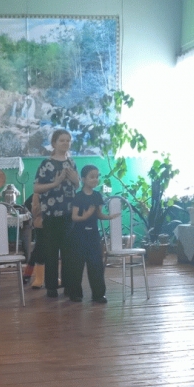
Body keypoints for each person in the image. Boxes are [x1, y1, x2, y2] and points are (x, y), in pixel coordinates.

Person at [33, 129, 79, 298]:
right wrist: (55, 183)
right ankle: (51, 287)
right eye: (62, 140)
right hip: (51, 215)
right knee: (51, 252)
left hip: (69, 214)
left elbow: (77, 186)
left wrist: (75, 180)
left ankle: (68, 285)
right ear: (54, 143)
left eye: (68, 140)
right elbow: (36, 188)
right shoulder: (46, 164)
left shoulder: (72, 163)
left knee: (68, 252)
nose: (65, 143)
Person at [67, 165, 119, 303]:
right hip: (78, 236)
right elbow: (74, 217)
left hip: (93, 235)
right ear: (83, 179)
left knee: (96, 264)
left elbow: (98, 214)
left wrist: (109, 217)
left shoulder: (97, 196)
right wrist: (84, 216)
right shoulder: (78, 196)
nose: (95, 179)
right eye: (92, 177)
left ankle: (98, 294)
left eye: (97, 177)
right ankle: (75, 294)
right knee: (77, 265)